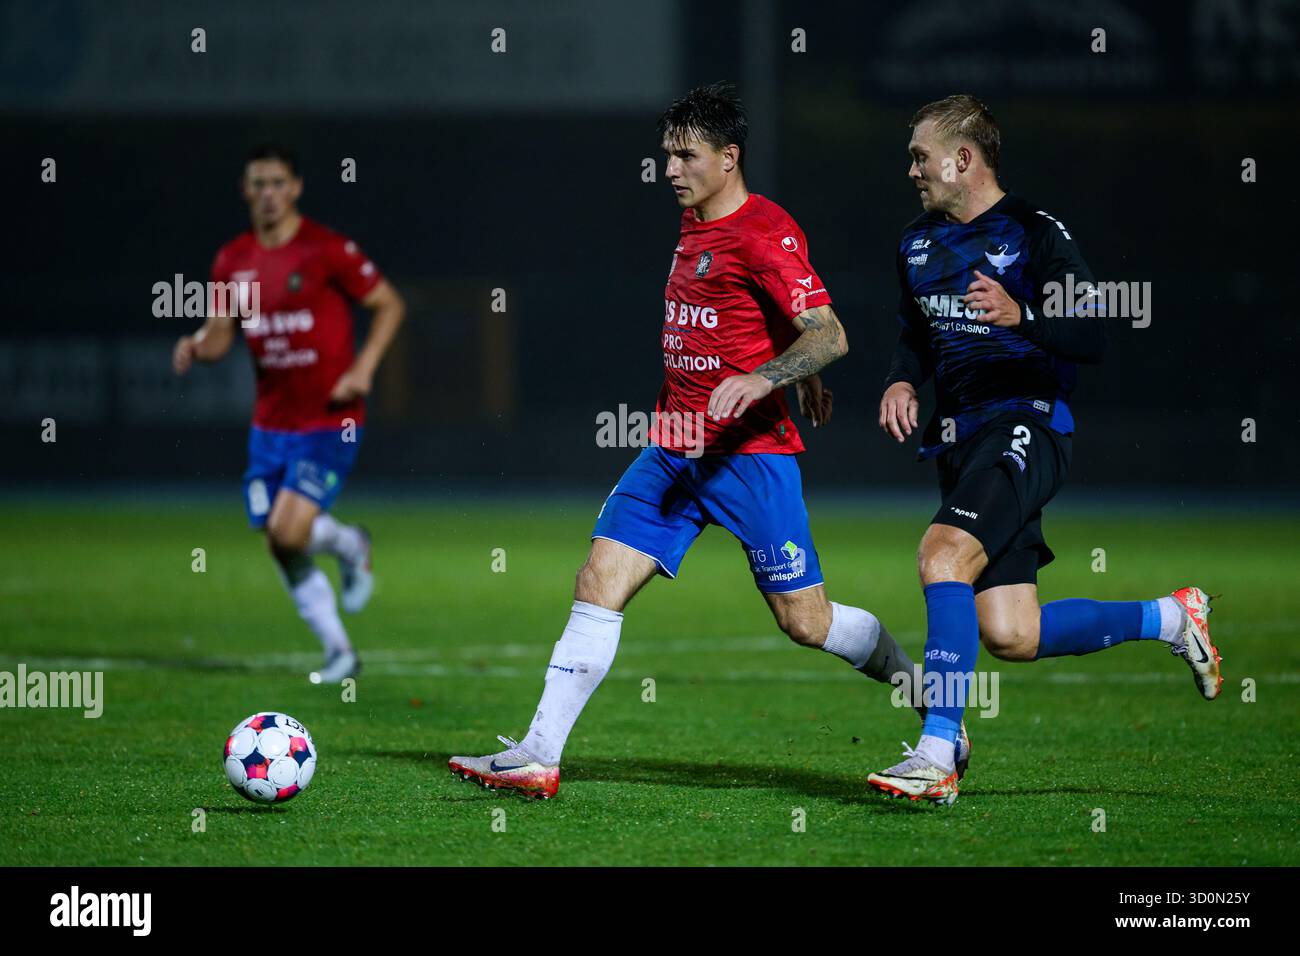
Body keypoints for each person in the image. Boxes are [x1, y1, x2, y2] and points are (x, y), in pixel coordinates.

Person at [867, 95, 1220, 806]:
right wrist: (903, 381)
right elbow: (915, 332)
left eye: (919, 155)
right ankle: (1173, 617)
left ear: (962, 159)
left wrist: (1023, 315)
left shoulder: (1034, 234)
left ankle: (939, 751)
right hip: (963, 440)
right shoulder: (916, 242)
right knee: (1012, 632)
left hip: (1027, 423)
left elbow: (1093, 335)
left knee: (942, 556)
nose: (911, 169)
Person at [173, 143, 406, 684]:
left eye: (278, 183)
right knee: (281, 542)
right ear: (245, 190)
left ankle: (351, 546)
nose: (268, 194)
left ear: (296, 187)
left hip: (330, 419)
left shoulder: (326, 250)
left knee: (286, 530)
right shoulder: (232, 260)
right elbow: (220, 335)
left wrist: (365, 367)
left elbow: (389, 303)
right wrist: (196, 346)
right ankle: (340, 648)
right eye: (258, 184)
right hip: (270, 426)